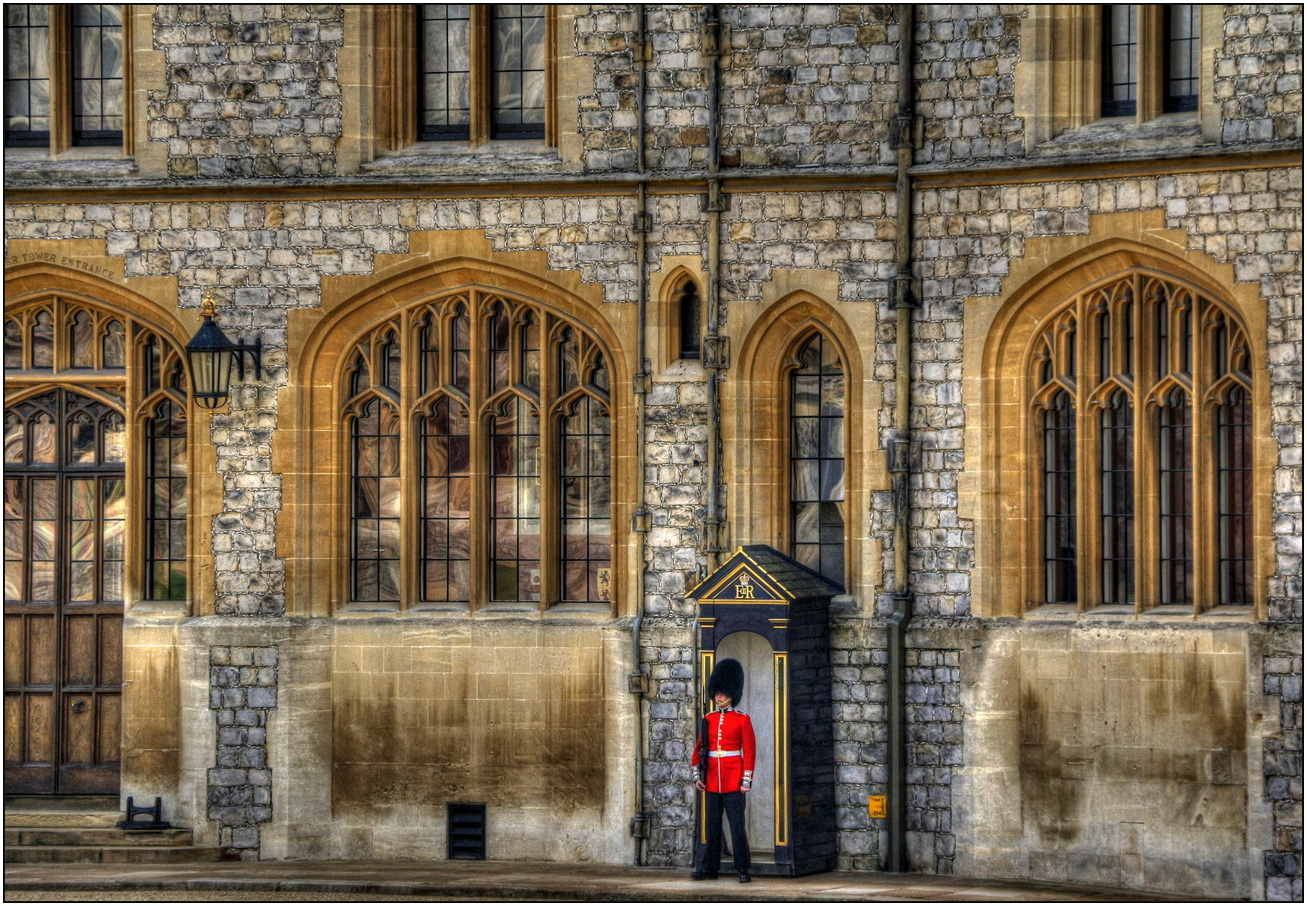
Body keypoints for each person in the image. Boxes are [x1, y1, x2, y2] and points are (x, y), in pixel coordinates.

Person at [690, 658, 755, 883]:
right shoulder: (708, 719)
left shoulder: (742, 720)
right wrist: (697, 775)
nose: (718, 696)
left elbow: (749, 751)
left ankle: (743, 868)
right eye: (717, 693)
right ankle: (710, 867)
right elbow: (699, 750)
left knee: (737, 826)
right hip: (712, 780)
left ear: (731, 695)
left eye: (723, 693)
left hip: (733, 780)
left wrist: (746, 779)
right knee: (712, 826)